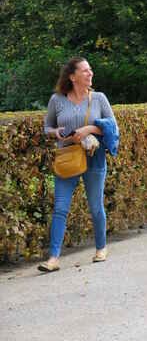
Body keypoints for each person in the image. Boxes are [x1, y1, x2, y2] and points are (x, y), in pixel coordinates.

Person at [39, 57, 118, 272]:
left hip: (94, 157)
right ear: (72, 77)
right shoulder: (57, 100)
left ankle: (101, 248)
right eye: (85, 71)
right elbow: (47, 127)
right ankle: (53, 258)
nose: (90, 73)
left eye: (90, 70)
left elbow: (112, 128)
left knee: (95, 206)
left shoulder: (99, 98)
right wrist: (55, 132)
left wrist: (89, 130)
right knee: (60, 208)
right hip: (67, 157)